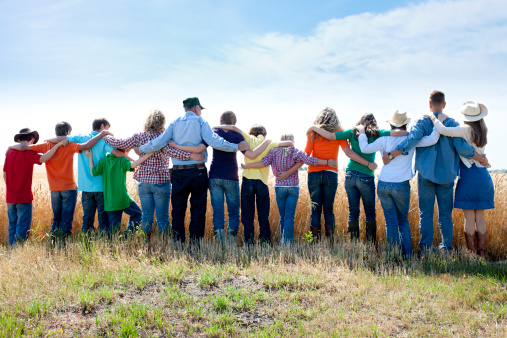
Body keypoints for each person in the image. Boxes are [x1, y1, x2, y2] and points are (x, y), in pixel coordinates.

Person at [386, 91, 489, 252]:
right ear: (444, 105)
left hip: (425, 174)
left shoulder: (422, 121)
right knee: (445, 215)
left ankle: (426, 248)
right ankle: (446, 248)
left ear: (429, 104)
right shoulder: (453, 124)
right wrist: (480, 158)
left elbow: (411, 139)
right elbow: (462, 147)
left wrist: (393, 153)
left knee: (425, 214)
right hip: (447, 175)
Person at [136, 97, 250, 243]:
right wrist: (235, 147)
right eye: (200, 109)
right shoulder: (201, 122)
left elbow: (159, 142)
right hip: (198, 171)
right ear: (196, 108)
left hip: (178, 172)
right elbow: (214, 141)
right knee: (198, 209)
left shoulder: (174, 122)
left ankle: (178, 242)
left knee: (178, 209)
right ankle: (195, 243)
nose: (200, 112)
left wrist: (142, 149)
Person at [171, 110, 271, 244]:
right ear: (234, 122)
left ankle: (221, 242)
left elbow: (200, 147)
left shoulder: (214, 133)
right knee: (233, 211)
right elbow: (250, 154)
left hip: (214, 177)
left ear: (221, 121)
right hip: (231, 177)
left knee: (218, 212)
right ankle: (231, 241)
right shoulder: (236, 135)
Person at [103, 110, 204, 239]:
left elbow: (119, 144)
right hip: (161, 181)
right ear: (162, 123)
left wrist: (104, 135)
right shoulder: (163, 138)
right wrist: (191, 155)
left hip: (144, 182)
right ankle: (162, 243)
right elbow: (174, 153)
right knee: (162, 217)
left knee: (146, 216)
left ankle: (148, 243)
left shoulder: (139, 136)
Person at [308, 113, 407, 244]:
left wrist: (314, 127)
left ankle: (354, 243)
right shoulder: (377, 133)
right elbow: (397, 133)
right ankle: (371, 244)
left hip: (350, 175)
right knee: (370, 211)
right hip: (366, 176)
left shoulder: (351, 131)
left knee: (353, 211)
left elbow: (331, 136)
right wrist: (411, 133)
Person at [7, 122, 112, 239]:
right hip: (69, 187)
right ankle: (63, 242)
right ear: (67, 133)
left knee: (56, 218)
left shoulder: (46, 145)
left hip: (54, 188)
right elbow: (87, 145)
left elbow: (24, 147)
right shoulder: (70, 144)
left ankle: (54, 240)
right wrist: (101, 135)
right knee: (66, 219)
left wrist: (10, 147)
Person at [358, 111, 440, 257]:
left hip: (383, 184)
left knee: (391, 221)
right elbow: (433, 139)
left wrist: (362, 132)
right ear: (406, 124)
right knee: (403, 221)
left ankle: (393, 256)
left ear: (391, 124)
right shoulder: (411, 139)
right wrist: (436, 120)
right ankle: (408, 255)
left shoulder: (384, 139)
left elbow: (364, 148)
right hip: (401, 185)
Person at [241, 133, 337, 244]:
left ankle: (284, 242)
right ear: (291, 140)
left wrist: (247, 166)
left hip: (279, 188)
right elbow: (310, 160)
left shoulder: (273, 151)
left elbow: (263, 163)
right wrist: (327, 162)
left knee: (283, 217)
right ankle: (287, 244)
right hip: (292, 188)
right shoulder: (294, 151)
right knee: (289, 217)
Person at [426, 101, 494, 257]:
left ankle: (471, 255)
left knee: (469, 217)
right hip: (483, 177)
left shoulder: (465, 130)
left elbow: (443, 130)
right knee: (480, 217)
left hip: (469, 177)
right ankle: (482, 253)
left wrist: (434, 118)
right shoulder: (483, 130)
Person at [304, 107, 379, 241]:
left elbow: (306, 155)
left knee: (315, 210)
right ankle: (330, 242)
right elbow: (348, 152)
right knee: (328, 209)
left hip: (313, 173)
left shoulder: (313, 133)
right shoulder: (338, 131)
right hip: (331, 174)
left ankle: (313, 242)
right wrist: (367, 163)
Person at [214, 123, 293, 245]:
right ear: (264, 134)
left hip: (248, 180)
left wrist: (218, 126)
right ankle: (265, 243)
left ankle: (249, 243)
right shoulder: (269, 142)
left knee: (247, 216)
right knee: (263, 215)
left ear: (251, 133)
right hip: (262, 182)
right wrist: (273, 142)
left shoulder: (248, 138)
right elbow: (289, 143)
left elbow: (234, 128)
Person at [48, 118, 126, 234]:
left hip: (85, 186)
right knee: (102, 218)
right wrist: (131, 160)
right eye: (107, 129)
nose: (108, 132)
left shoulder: (81, 137)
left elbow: (62, 138)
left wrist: (48, 140)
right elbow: (115, 153)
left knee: (87, 219)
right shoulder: (104, 140)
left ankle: (86, 241)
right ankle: (102, 241)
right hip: (100, 186)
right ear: (102, 126)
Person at [4, 128, 67, 246]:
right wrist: (57, 146)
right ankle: (16, 252)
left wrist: (10, 188)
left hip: (10, 197)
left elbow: (5, 173)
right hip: (24, 197)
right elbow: (43, 158)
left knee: (12, 224)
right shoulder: (29, 153)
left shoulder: (9, 153)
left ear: (18, 139)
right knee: (22, 227)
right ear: (32, 140)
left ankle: (11, 249)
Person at [86, 149, 152, 234]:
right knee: (138, 214)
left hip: (110, 202)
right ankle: (127, 234)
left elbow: (93, 172)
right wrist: (147, 155)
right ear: (123, 151)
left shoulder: (104, 161)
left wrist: (90, 157)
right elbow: (133, 165)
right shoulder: (122, 160)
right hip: (123, 199)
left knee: (113, 230)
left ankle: (113, 243)